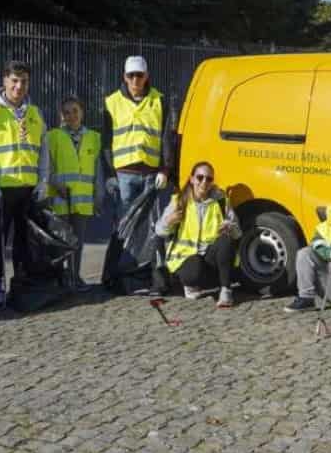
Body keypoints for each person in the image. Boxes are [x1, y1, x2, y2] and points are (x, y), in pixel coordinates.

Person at [0, 60, 50, 305]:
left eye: (24, 81)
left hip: (28, 188)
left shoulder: (35, 113)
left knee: (24, 239)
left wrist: (43, 181)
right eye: (14, 81)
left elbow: (43, 150)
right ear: (4, 81)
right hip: (2, 189)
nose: (19, 86)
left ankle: (21, 281)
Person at [101, 55, 177, 287]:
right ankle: (123, 273)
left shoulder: (159, 101)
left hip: (151, 174)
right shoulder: (111, 102)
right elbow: (106, 141)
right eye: (131, 75)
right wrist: (109, 176)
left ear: (146, 77)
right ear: (124, 76)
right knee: (124, 225)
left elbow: (166, 138)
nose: (135, 80)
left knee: (154, 225)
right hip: (124, 175)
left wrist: (165, 168)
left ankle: (154, 274)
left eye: (139, 75)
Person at [155, 161, 240, 309]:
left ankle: (226, 291)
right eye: (200, 177)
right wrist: (169, 221)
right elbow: (159, 231)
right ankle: (190, 285)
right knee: (195, 267)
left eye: (209, 179)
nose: (204, 182)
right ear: (192, 179)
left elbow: (238, 233)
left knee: (225, 240)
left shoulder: (221, 201)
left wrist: (230, 228)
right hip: (187, 260)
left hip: (211, 260)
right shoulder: (179, 200)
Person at [47, 95, 104, 290]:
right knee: (61, 241)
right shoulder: (53, 136)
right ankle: (61, 278)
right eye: (66, 112)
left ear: (82, 113)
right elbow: (47, 167)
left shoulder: (94, 138)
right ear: (61, 115)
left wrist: (98, 197)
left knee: (78, 242)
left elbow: (97, 171)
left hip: (83, 201)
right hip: (61, 198)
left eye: (75, 111)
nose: (71, 116)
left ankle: (75, 277)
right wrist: (55, 184)